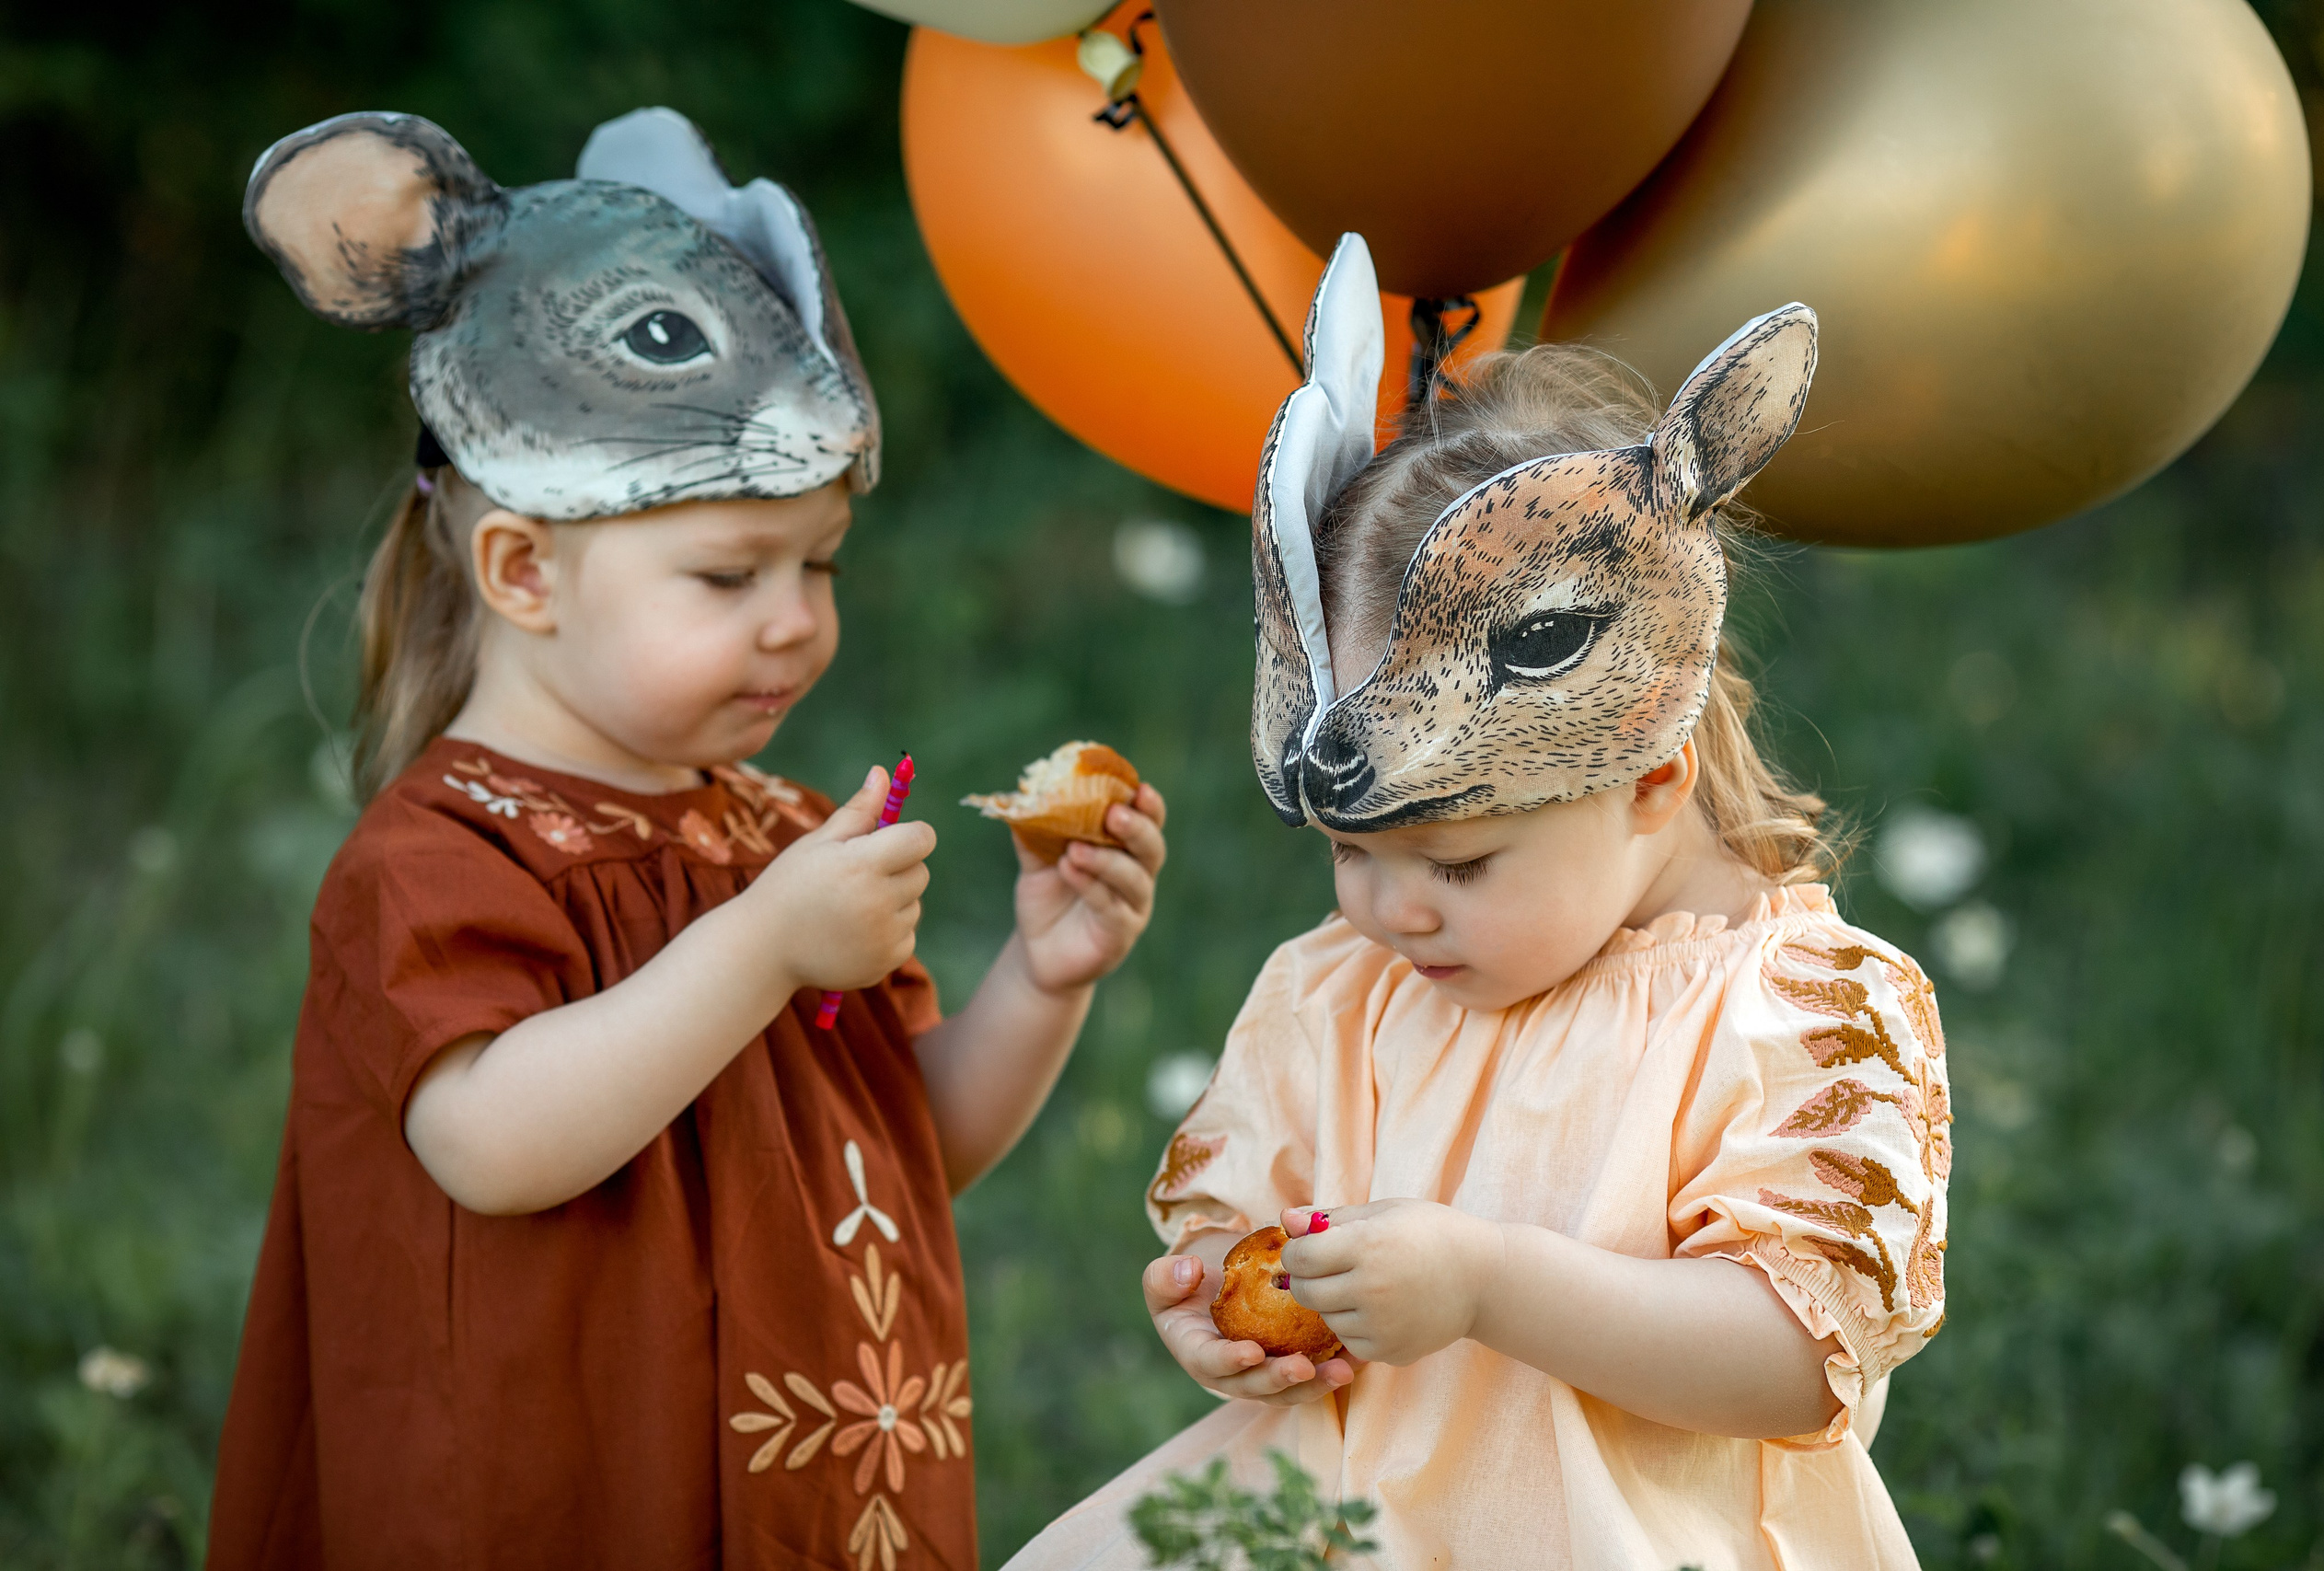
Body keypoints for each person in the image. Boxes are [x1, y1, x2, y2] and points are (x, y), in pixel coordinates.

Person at [208, 108, 1163, 1570]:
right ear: (525, 572)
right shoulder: (446, 856)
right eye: (728, 576)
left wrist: (1045, 979)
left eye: (820, 565)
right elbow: (493, 1141)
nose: (796, 620)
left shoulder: (769, 833)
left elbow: (901, 1150)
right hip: (568, 1499)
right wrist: (764, 945)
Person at [1012, 238, 1947, 1570]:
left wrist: (1487, 1285)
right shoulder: (1342, 992)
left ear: (1651, 777)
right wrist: (1216, 1302)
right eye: (1351, 853)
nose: (1391, 912)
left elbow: (1795, 1359)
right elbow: (1241, 1220)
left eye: (1458, 866)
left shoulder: (1800, 1016)